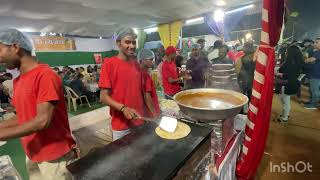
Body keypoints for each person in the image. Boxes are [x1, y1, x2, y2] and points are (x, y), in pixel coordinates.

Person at [0, 28, 77, 180]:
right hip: (32, 152)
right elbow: (23, 116)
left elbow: (42, 121)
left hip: (55, 157)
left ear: (15, 47)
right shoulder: (18, 81)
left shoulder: (45, 75)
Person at [99, 27, 144, 141]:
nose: (132, 46)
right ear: (119, 43)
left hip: (140, 120)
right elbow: (103, 97)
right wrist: (123, 108)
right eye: (127, 42)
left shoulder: (136, 65)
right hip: (121, 125)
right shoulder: (109, 63)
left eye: (134, 42)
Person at [275, 45, 304, 122]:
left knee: (285, 101)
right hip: (291, 83)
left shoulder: (290, 62)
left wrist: (277, 74)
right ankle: (286, 114)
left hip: (287, 84)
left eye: (287, 51)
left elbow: (287, 75)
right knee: (285, 100)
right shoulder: (297, 61)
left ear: (291, 52)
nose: (285, 52)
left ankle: (284, 118)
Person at [137, 49, 160, 117]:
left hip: (145, 111)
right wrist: (154, 113)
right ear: (143, 60)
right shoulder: (145, 76)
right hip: (150, 113)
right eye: (151, 59)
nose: (153, 61)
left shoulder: (138, 73)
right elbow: (147, 97)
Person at [304, 38, 320, 109]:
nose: (314, 44)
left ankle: (314, 104)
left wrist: (305, 60)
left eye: (317, 42)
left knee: (315, 90)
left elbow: (310, 60)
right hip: (313, 74)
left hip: (316, 75)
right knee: (311, 89)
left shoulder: (319, 52)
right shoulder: (317, 51)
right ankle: (311, 101)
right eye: (315, 42)